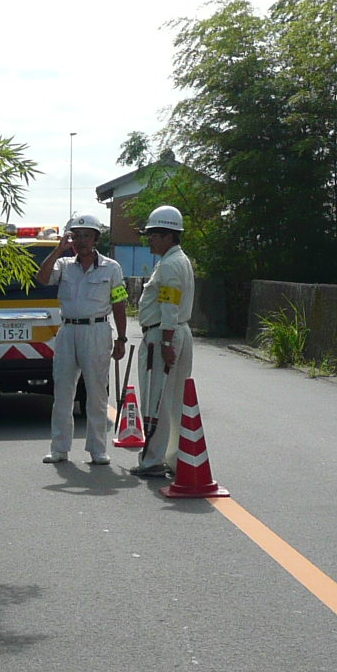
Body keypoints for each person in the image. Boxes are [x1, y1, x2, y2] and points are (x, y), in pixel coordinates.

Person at [35, 212, 128, 464]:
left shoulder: (112, 268)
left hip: (97, 330)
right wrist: (58, 250)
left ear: (96, 238)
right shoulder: (64, 265)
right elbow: (42, 278)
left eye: (87, 235)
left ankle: (97, 449)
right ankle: (59, 448)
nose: (81, 241)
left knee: (97, 392)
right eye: (76, 236)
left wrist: (121, 338)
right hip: (68, 330)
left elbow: (119, 302)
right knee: (63, 391)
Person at [131, 205, 193, 480]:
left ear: (168, 236)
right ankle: (174, 457)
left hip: (163, 335)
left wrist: (167, 344)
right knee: (172, 400)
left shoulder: (169, 265)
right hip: (174, 332)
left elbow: (169, 306)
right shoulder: (178, 260)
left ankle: (153, 459)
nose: (149, 240)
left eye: (154, 235)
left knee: (156, 400)